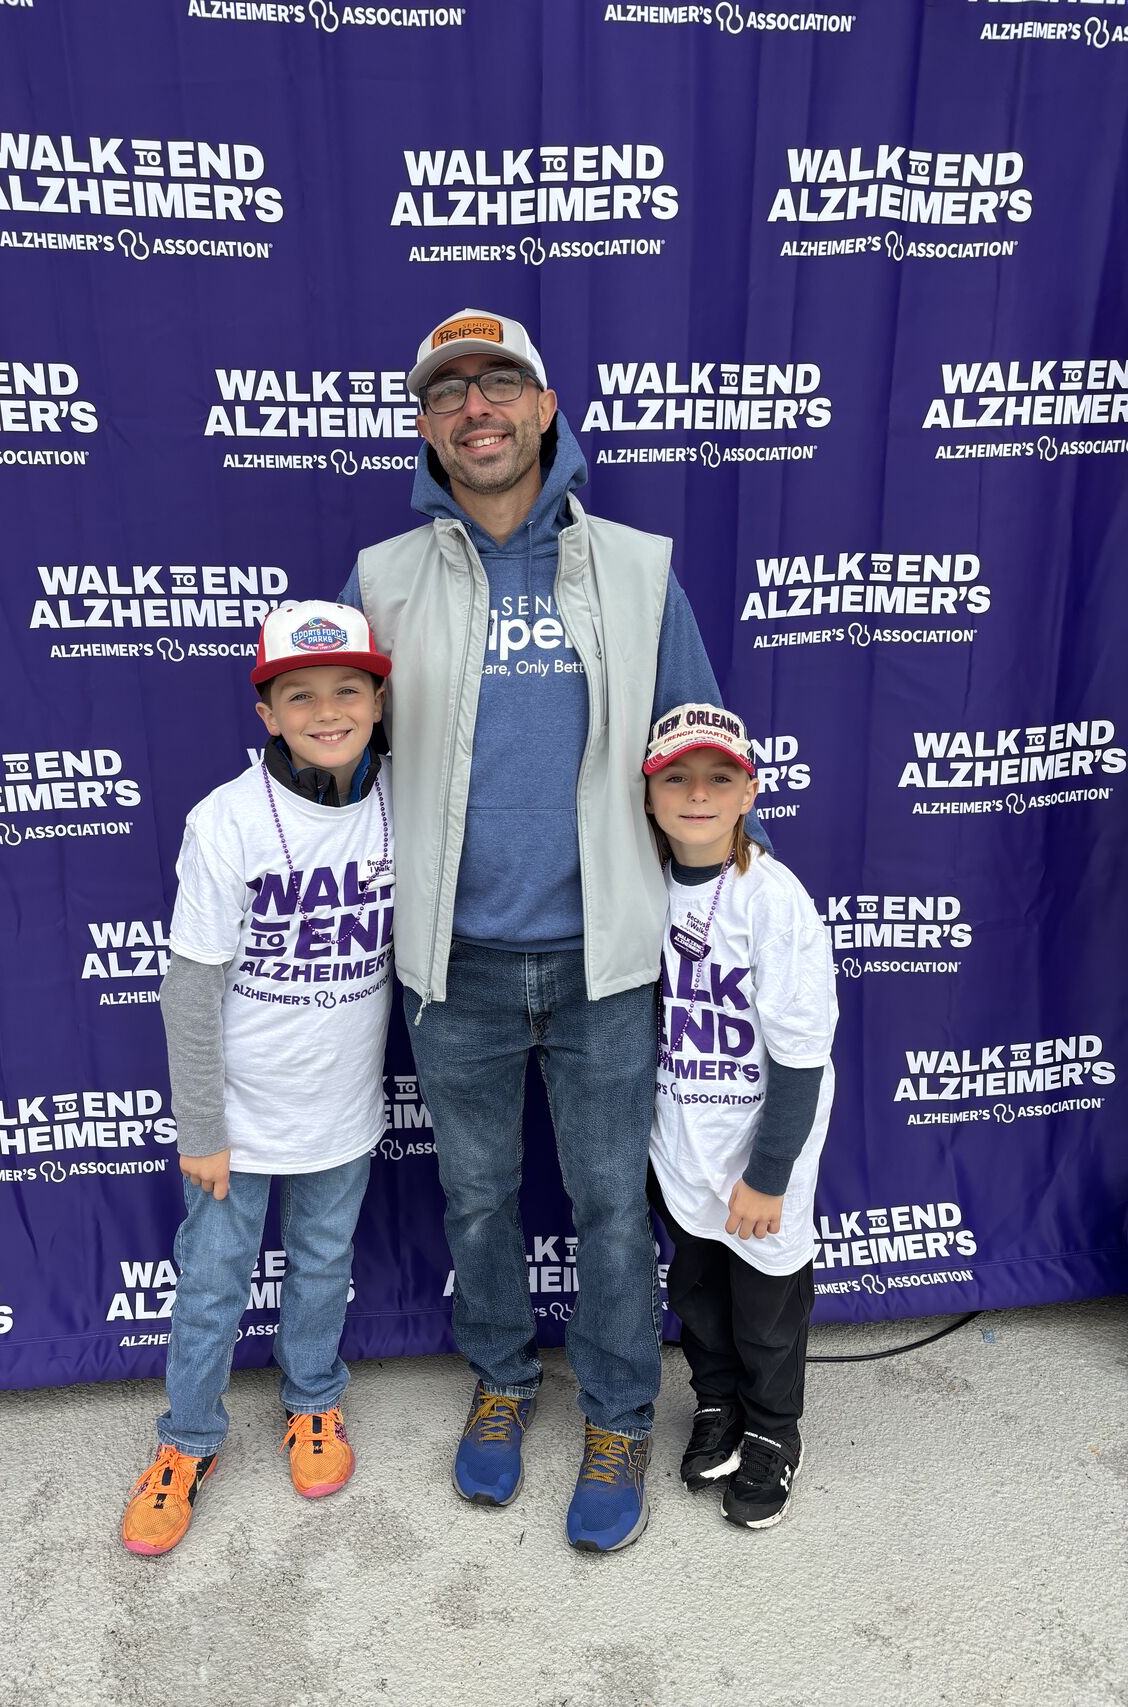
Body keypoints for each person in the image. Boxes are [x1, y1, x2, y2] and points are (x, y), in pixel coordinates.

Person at [340, 309, 765, 1553]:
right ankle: (503, 1380)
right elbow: (336, 758)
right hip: (452, 969)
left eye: (499, 384)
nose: (475, 408)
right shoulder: (382, 579)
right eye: (447, 392)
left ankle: (622, 1411)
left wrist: (732, 910)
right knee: (473, 1200)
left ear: (543, 407)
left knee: (609, 1208)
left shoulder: (634, 568)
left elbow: (698, 746)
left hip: (603, 963)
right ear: (425, 425)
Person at [121, 601, 394, 1556]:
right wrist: (201, 1125)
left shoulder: (402, 797)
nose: (328, 709)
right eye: (301, 693)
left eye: (348, 689)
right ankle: (187, 1441)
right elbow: (188, 991)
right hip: (237, 1120)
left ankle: (313, 1400)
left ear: (376, 699)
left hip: (344, 1113)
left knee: (322, 1267)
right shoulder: (228, 819)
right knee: (211, 1284)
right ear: (267, 712)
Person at [643, 702, 836, 1529]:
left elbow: (800, 1053)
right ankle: (717, 1404)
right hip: (681, 1146)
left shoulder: (772, 897)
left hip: (759, 1155)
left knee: (766, 1312)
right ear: (648, 794)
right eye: (676, 777)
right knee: (698, 1295)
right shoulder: (641, 885)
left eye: (719, 777)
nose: (697, 793)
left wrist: (767, 1174)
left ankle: (774, 1434)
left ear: (750, 789)